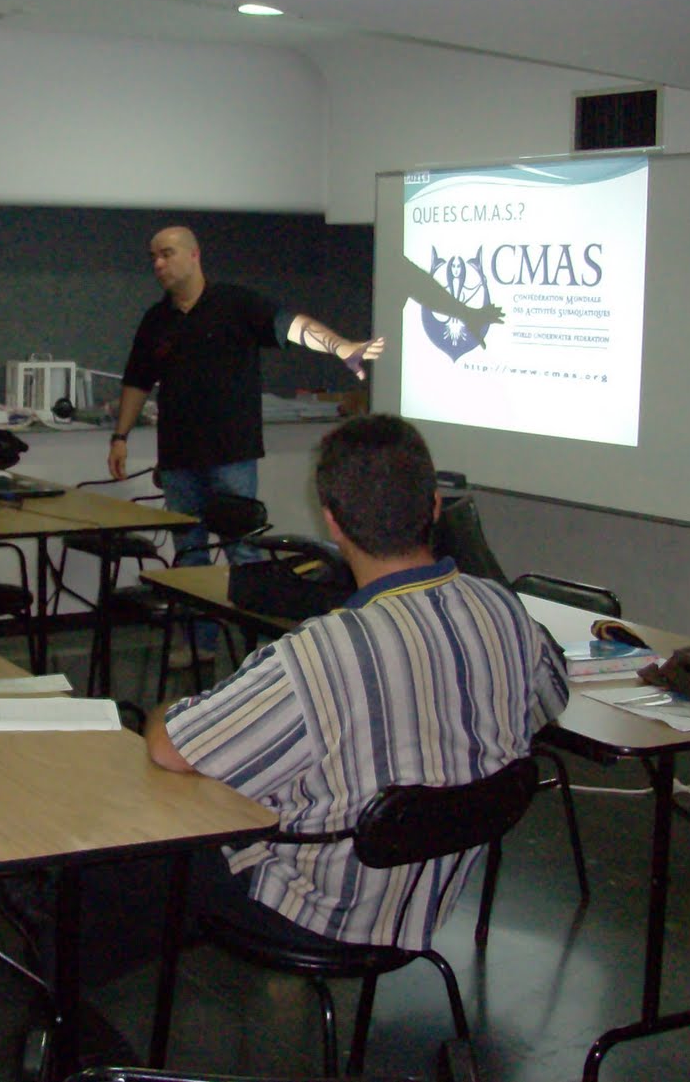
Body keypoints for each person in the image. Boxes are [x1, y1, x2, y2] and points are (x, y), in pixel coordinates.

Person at [146, 414, 569, 951]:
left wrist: (162, 711)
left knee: (132, 856)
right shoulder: (506, 612)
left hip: (318, 910)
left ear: (333, 524)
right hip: (430, 903)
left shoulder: (322, 650)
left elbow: (173, 750)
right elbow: (548, 702)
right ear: (436, 507)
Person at [108, 226, 385, 666]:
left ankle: (260, 648)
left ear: (195, 255)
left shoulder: (236, 304)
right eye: (153, 257)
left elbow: (289, 327)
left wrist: (340, 347)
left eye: (167, 254)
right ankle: (200, 643)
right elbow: (137, 381)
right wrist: (120, 436)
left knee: (242, 549)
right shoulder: (156, 320)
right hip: (178, 457)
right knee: (190, 555)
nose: (158, 264)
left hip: (231, 454)